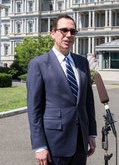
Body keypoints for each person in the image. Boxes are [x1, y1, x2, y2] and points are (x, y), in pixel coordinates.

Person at [27, 14, 97, 165]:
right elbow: (34, 109)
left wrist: (91, 133)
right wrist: (39, 145)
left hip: (80, 141)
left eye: (73, 31)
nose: (68, 35)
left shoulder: (82, 62)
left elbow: (88, 102)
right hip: (54, 144)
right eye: (64, 30)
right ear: (53, 33)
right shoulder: (38, 64)